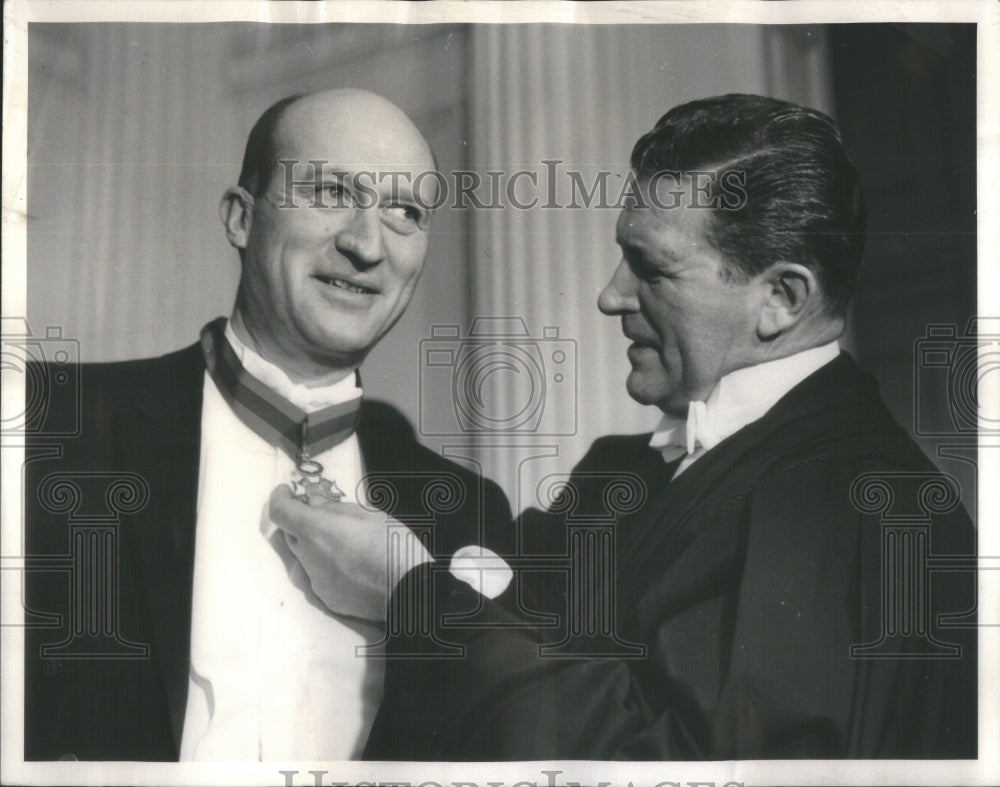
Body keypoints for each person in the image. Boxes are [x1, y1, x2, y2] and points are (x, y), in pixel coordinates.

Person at [269, 93, 978, 759]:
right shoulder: (627, 470)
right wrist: (339, 421)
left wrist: (407, 589)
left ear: (781, 298)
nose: (610, 295)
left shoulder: (862, 507)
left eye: (651, 267)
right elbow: (505, 589)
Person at [23, 89, 511, 761]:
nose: (367, 244)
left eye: (404, 211)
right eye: (333, 192)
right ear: (240, 219)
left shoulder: (471, 511)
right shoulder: (51, 426)